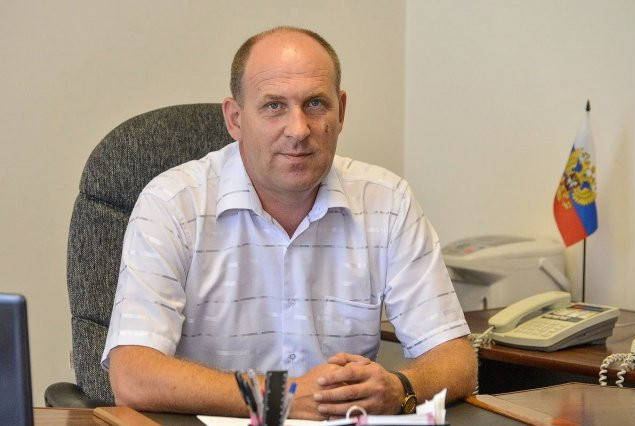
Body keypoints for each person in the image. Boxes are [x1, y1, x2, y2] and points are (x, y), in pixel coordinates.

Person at [102, 26, 477, 419]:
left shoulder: (387, 201)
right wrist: (279, 398)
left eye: (315, 104)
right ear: (235, 119)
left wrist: (400, 388)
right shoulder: (172, 204)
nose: (299, 130)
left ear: (341, 111)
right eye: (274, 106)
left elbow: (456, 358)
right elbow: (132, 374)